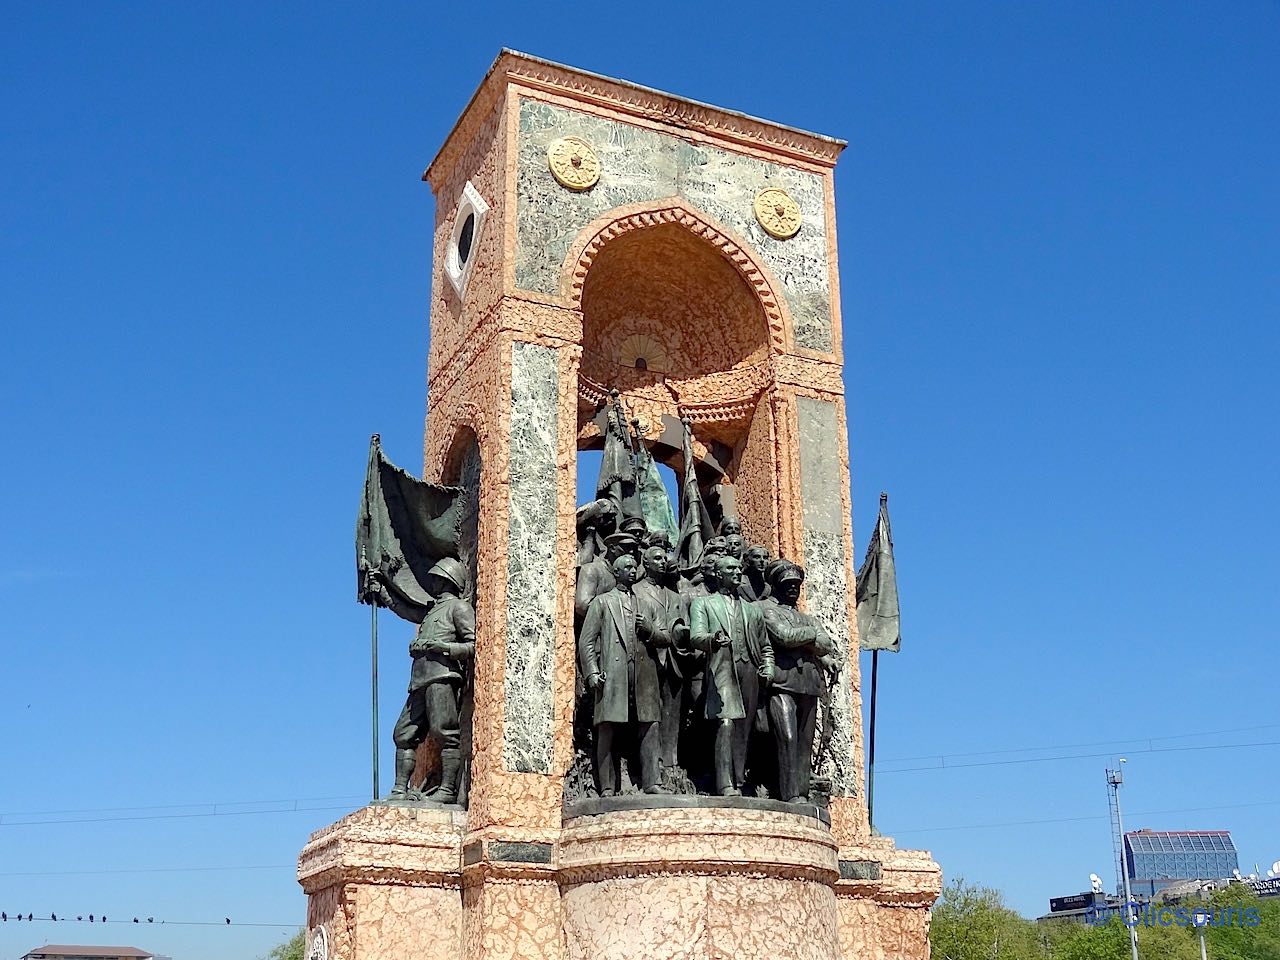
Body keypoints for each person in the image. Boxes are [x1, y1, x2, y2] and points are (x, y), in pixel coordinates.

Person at [387, 557, 475, 803]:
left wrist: (443, 646)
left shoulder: (458, 608)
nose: (433, 581)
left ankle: (447, 791)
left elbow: (474, 644)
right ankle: (399, 789)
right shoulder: (431, 611)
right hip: (419, 679)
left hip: (442, 676)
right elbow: (404, 607)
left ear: (448, 580)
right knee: (403, 734)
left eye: (437, 577)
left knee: (444, 731)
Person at [578, 554, 666, 795]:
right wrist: (592, 673)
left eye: (633, 566)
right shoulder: (602, 603)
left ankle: (652, 782)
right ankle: (607, 786)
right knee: (607, 728)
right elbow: (586, 642)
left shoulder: (646, 603)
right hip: (612, 674)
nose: (632, 569)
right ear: (615, 573)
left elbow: (665, 636)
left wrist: (649, 630)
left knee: (650, 725)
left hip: (643, 675)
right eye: (626, 567)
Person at [690, 555, 774, 796]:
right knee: (725, 723)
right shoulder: (704, 604)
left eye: (739, 568)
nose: (737, 572)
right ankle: (725, 784)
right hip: (721, 669)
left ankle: (738, 780)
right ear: (719, 574)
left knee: (743, 728)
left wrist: (768, 666)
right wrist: (711, 640)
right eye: (731, 569)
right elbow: (695, 636)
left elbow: (765, 645)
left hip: (749, 670)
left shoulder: (752, 610)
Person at [761, 561, 832, 803]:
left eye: (796, 585)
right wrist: (811, 637)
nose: (793, 589)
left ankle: (802, 793)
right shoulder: (767, 610)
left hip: (808, 684)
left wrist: (806, 639)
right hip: (782, 684)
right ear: (776, 586)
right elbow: (783, 636)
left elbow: (826, 645)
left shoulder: (806, 618)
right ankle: (790, 794)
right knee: (788, 738)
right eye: (787, 585)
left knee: (805, 743)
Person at [633, 544, 688, 776]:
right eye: (657, 558)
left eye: (665, 558)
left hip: (674, 661)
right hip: (647, 659)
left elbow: (685, 627)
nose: (663, 562)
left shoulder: (676, 597)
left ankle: (671, 764)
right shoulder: (635, 591)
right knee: (649, 716)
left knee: (672, 715)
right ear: (645, 563)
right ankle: (651, 768)